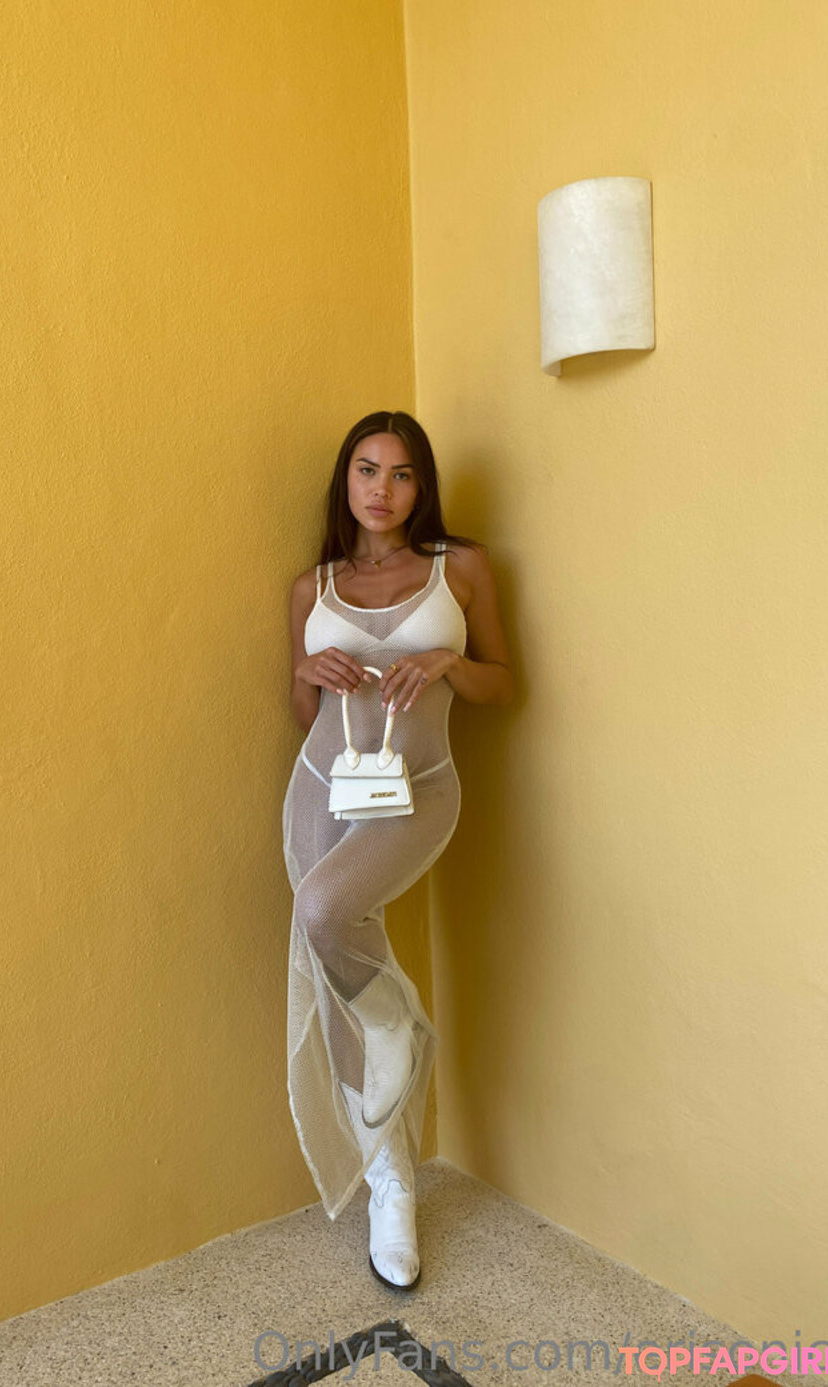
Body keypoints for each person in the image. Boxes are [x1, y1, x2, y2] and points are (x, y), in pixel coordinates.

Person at [282, 409, 513, 1291]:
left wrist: (450, 663)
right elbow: (302, 713)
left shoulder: (462, 568)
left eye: (402, 472)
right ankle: (391, 1186)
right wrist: (306, 673)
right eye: (368, 470)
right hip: (322, 787)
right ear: (345, 480)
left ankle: (397, 1028)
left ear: (423, 485)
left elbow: (503, 683)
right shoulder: (312, 587)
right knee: (330, 956)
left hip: (421, 789)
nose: (383, 489)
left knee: (324, 910)